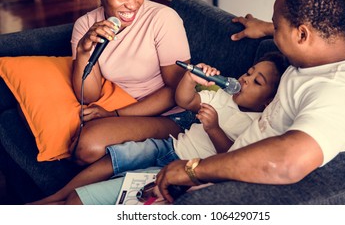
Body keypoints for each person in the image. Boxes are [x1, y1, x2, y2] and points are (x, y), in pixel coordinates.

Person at [153, 0, 345, 203]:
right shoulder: (339, 44)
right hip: (226, 160)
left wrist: (195, 169)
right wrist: (267, 28)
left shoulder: (337, 93)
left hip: (227, 187)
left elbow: (289, 162)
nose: (276, 34)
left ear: (302, 34)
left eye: (279, 27)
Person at [28, 52, 289, 205]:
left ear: (269, 100)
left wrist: (214, 129)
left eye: (257, 81)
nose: (245, 78)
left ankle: (75, 198)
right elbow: (183, 100)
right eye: (249, 71)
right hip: (170, 145)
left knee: (125, 182)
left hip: (185, 165)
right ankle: (56, 196)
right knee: (119, 157)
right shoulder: (221, 95)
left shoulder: (256, 125)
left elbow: (234, 157)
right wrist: (191, 77)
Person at [69, 0, 194, 166]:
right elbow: (89, 96)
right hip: (125, 113)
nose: (133, 4)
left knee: (88, 146)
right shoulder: (85, 26)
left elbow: (177, 91)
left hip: (171, 116)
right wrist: (83, 53)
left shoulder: (163, 18)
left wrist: (115, 115)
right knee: (79, 144)